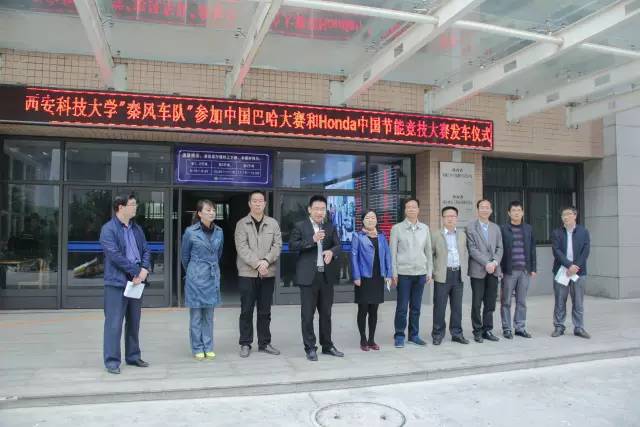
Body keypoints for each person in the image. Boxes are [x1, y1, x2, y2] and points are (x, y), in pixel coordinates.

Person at [99, 194, 151, 375]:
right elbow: (115, 256)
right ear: (120, 207)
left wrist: (144, 269)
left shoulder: (137, 228)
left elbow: (146, 250)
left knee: (134, 321)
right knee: (114, 323)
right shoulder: (108, 229)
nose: (135, 207)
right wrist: (136, 271)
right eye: (132, 204)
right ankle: (112, 361)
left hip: (136, 281)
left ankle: (133, 356)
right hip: (117, 282)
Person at [289, 195, 343, 361]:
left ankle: (327, 345)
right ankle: (310, 347)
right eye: (317, 209)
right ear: (309, 210)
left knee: (326, 314)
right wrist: (312, 240)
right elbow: (292, 246)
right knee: (307, 315)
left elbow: (338, 245)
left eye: (322, 209)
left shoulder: (330, 227)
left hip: (325, 276)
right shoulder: (300, 226)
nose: (320, 212)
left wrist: (331, 252)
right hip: (308, 277)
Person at [235, 190, 283, 358]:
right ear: (249, 203)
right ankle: (245, 343)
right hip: (247, 274)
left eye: (260, 201)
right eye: (254, 201)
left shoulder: (273, 223)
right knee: (246, 310)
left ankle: (264, 343)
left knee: (265, 311)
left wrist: (266, 262)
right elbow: (242, 248)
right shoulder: (242, 224)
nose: (257, 203)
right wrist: (257, 264)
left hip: (267, 273)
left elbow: (277, 245)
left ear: (265, 204)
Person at [181, 200, 224, 360]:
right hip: (195, 277)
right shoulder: (190, 232)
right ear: (199, 213)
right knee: (196, 315)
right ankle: (197, 347)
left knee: (209, 315)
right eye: (208, 210)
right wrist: (195, 270)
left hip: (212, 276)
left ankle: (208, 346)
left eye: (213, 210)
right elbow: (185, 257)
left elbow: (218, 254)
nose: (212, 213)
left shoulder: (219, 231)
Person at [390, 198, 433, 348]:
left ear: (418, 210)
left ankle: (414, 335)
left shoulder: (425, 228)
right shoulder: (397, 228)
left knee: (416, 307)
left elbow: (428, 251)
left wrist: (429, 271)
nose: (411, 209)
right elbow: (392, 253)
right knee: (402, 307)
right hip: (403, 273)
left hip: (420, 273)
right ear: (405, 210)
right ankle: (399, 335)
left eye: (414, 207)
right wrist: (394, 273)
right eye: (408, 207)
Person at [351, 210, 392, 351]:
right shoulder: (357, 236)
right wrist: (356, 276)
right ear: (363, 220)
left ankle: (371, 339)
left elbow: (387, 255)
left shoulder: (381, 236)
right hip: (363, 277)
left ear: (376, 220)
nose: (370, 220)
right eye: (367, 218)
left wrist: (388, 273)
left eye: (373, 217)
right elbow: (354, 257)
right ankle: (363, 339)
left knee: (374, 310)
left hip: (378, 277)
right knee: (363, 309)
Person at [431, 206, 469, 345]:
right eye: (447, 216)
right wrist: (434, 271)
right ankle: (437, 334)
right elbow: (431, 254)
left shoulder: (462, 235)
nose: (450, 219)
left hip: (458, 274)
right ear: (443, 218)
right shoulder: (436, 235)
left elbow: (465, 252)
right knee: (439, 306)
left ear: (456, 218)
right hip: (443, 274)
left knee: (457, 307)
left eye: (453, 216)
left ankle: (457, 333)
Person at [551, 206, 591, 339]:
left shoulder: (583, 232)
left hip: (579, 272)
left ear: (575, 215)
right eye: (563, 215)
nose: (565, 217)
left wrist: (575, 266)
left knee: (578, 301)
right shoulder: (557, 232)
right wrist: (569, 265)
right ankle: (559, 326)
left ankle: (579, 327)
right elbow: (556, 251)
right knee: (560, 300)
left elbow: (586, 250)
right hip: (562, 270)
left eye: (568, 214)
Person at [466, 199, 503, 343]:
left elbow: (500, 248)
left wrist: (494, 262)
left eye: (487, 207)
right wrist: (486, 263)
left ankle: (487, 330)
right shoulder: (471, 227)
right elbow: (472, 249)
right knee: (477, 303)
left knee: (490, 302)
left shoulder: (496, 228)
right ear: (477, 210)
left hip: (493, 270)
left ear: (491, 210)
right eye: (482, 207)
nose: (485, 210)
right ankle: (477, 331)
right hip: (478, 270)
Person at [500, 201, 537, 339]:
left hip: (524, 270)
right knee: (506, 301)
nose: (516, 213)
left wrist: (533, 268)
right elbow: (500, 249)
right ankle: (507, 328)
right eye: (513, 210)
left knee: (522, 301)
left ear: (522, 212)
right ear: (509, 213)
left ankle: (520, 327)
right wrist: (500, 269)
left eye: (519, 210)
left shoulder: (528, 228)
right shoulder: (503, 229)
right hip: (508, 271)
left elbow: (532, 249)